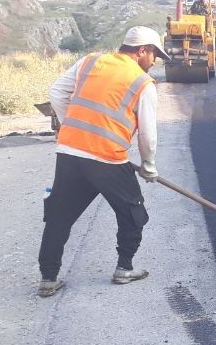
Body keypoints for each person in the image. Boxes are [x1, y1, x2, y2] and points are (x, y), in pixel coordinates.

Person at [37, 27, 167, 297]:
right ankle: (124, 268)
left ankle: (48, 278)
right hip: (107, 158)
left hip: (70, 152)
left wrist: (72, 126)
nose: (154, 61)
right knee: (133, 213)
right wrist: (149, 167)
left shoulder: (90, 61)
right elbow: (148, 134)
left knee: (59, 216)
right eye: (154, 54)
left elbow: (57, 92)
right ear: (142, 50)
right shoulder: (142, 83)